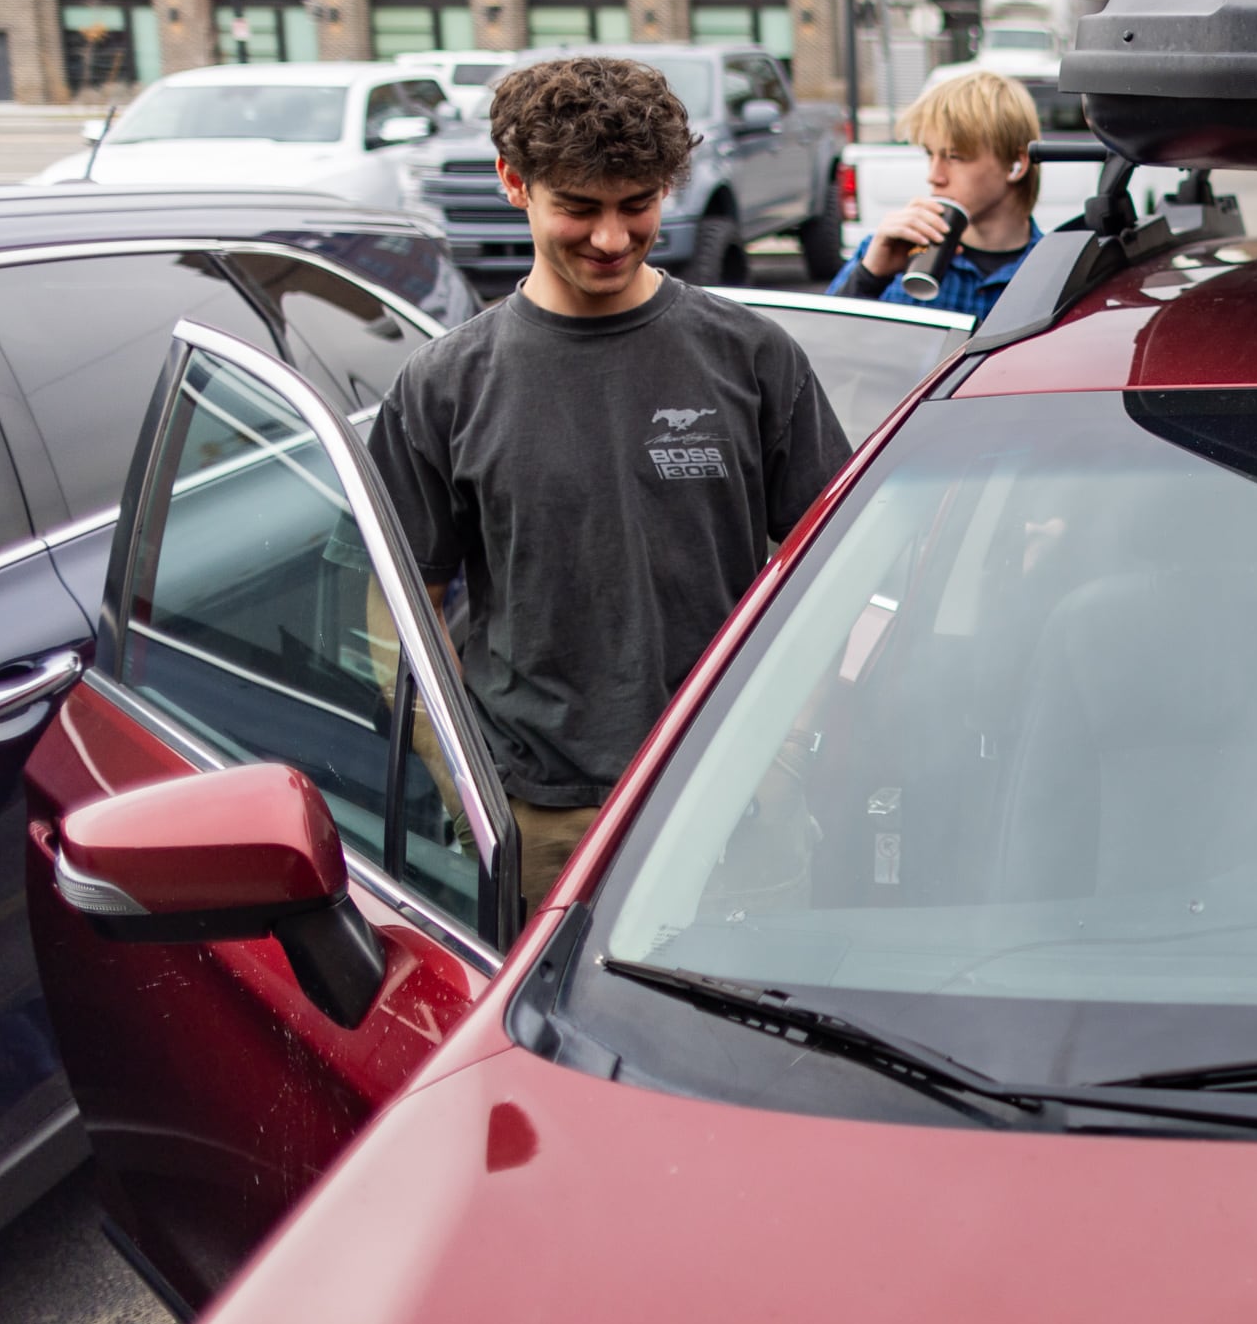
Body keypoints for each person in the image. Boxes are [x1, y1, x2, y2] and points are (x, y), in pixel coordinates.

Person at [367, 57, 852, 909]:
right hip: (544, 816)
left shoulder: (749, 357)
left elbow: (842, 565)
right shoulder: (445, 385)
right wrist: (467, 784)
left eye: (639, 206)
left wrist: (788, 744)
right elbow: (399, 606)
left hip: (734, 792)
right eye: (579, 208)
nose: (612, 238)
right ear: (515, 183)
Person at [829, 68, 1043, 319]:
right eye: (930, 154)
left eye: (954, 157)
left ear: (1016, 164)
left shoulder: (1056, 271)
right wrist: (869, 277)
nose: (934, 175)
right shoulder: (892, 253)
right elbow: (819, 346)